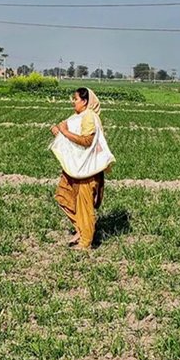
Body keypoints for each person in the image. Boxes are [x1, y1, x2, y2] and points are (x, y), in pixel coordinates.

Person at [51, 87, 107, 250]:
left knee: (84, 205)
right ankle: (81, 229)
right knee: (63, 195)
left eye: (75, 99)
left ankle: (85, 241)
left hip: (87, 170)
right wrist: (59, 133)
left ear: (85, 101)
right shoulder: (79, 116)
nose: (73, 101)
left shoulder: (89, 117)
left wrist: (64, 131)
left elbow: (86, 141)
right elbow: (71, 137)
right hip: (75, 167)